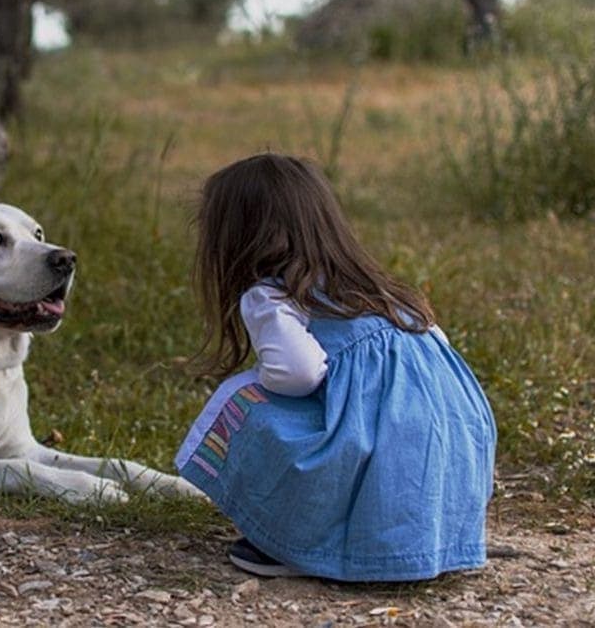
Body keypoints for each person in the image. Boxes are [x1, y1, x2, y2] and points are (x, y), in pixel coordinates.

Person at [175, 153, 496, 581]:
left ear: (237, 238)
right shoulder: (379, 290)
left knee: (242, 400)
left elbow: (299, 373)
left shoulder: (271, 297)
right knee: (379, 426)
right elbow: (439, 356)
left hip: (378, 449)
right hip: (452, 448)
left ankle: (296, 542)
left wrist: (262, 381)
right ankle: (423, 539)